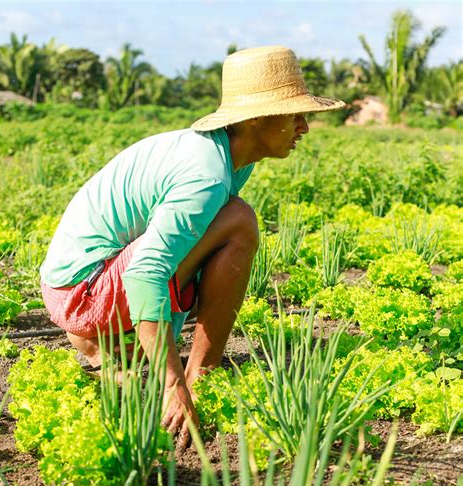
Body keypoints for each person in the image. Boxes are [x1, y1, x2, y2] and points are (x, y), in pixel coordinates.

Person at [40, 45, 344, 447]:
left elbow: (173, 247)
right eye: (295, 115)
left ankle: (105, 344)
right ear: (256, 120)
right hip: (84, 294)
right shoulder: (206, 175)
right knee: (239, 222)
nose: (304, 127)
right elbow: (146, 272)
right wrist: (173, 383)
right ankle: (201, 373)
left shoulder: (226, 155)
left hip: (71, 286)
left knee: (218, 224)